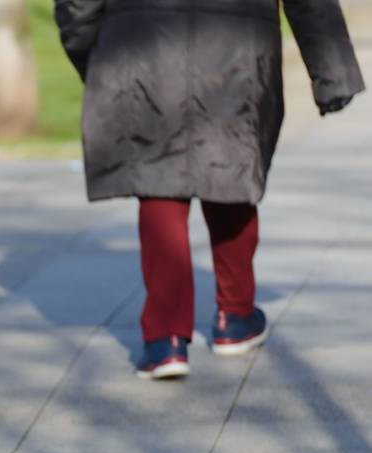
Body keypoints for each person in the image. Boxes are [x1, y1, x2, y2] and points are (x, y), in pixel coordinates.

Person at [55, 0, 364, 379]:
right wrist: (331, 71)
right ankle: (235, 315)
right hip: (236, 47)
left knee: (158, 183)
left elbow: (76, 6)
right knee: (230, 166)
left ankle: (164, 340)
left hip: (143, 44)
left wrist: (91, 46)